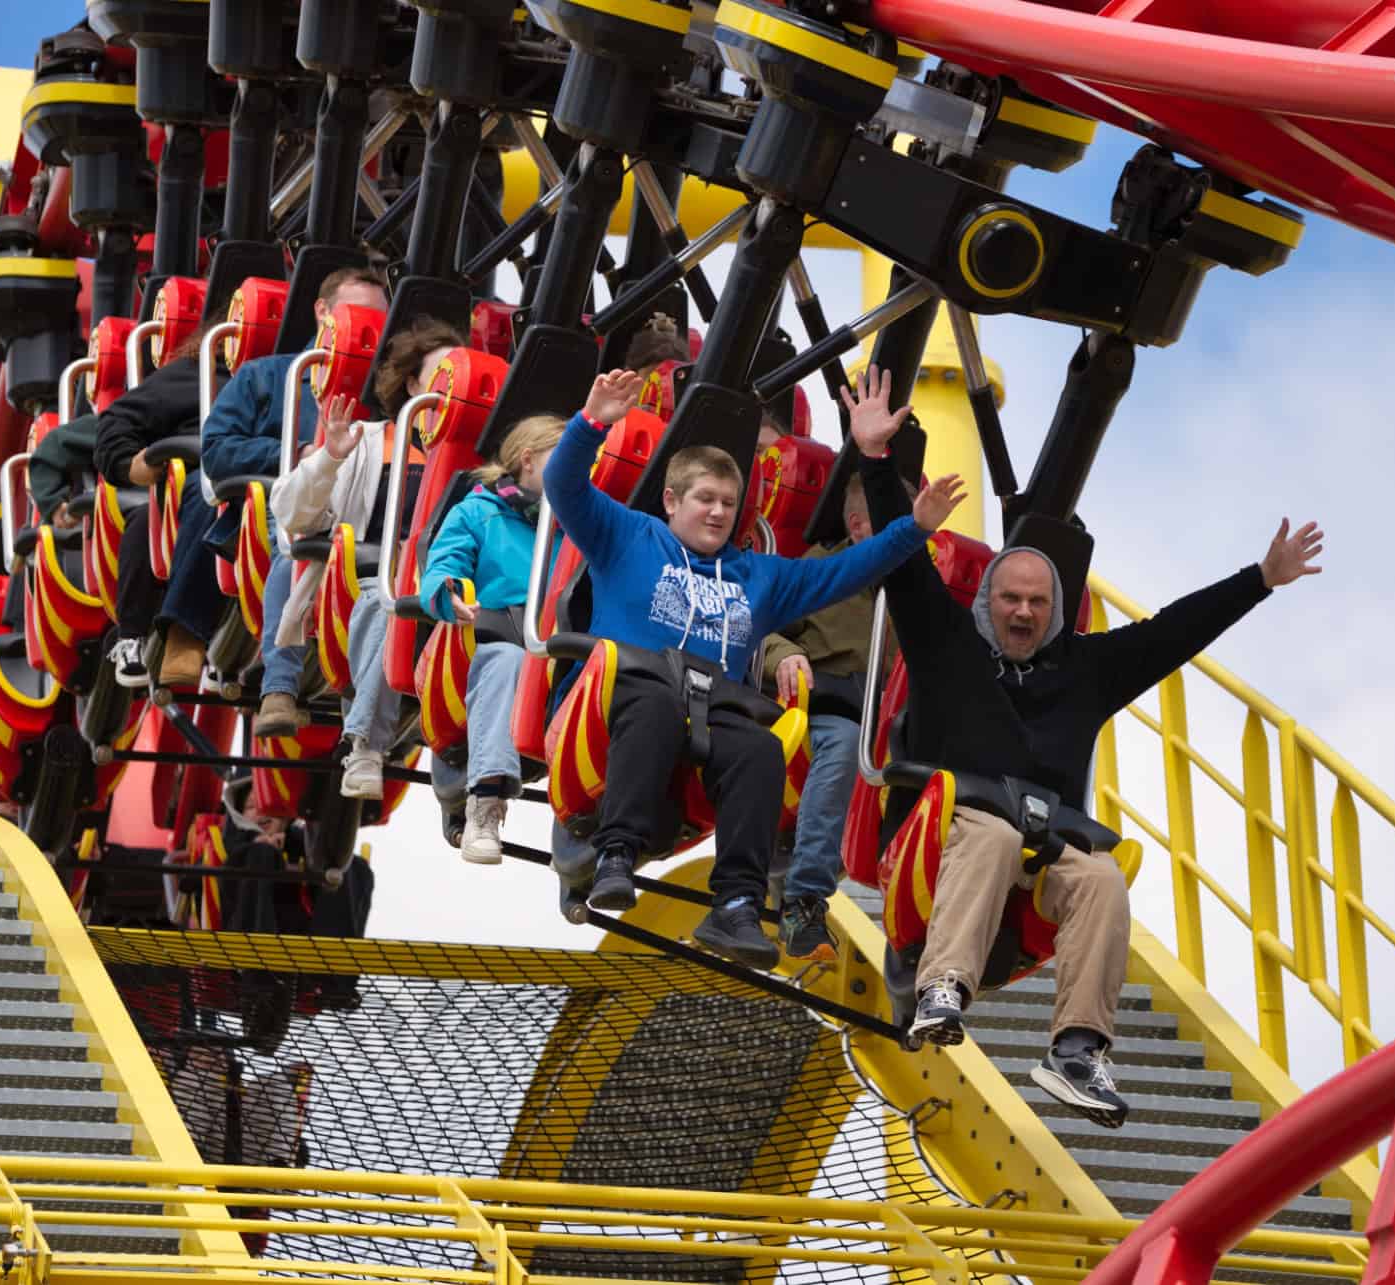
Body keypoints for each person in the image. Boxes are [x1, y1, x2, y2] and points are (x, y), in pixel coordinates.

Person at [845, 364, 1324, 1128]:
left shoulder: (1086, 668)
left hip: (1044, 851)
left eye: (1038, 602)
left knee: (1101, 875)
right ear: (987, 602)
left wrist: (1259, 579)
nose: (1025, 611)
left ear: (1058, 610)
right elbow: (903, 575)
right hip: (941, 841)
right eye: (1010, 598)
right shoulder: (947, 648)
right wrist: (873, 461)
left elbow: (1172, 631)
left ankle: (1077, 1049)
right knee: (993, 832)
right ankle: (942, 984)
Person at [541, 368, 965, 969]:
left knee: (763, 751)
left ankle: (737, 903)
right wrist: (590, 423)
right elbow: (565, 487)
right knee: (657, 703)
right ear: (671, 501)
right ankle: (615, 851)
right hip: (626, 691)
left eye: (727, 503)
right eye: (704, 500)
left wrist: (914, 528)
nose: (717, 513)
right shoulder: (629, 537)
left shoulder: (760, 576)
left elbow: (847, 570)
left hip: (713, 708)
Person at [155, 267, 390, 689]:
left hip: (366, 510)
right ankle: (274, 684)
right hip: (284, 505)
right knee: (296, 540)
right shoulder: (266, 376)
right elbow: (218, 451)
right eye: (355, 313)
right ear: (323, 312)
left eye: (377, 319)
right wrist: (295, 454)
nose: (365, 328)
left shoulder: (391, 392)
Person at [291, 318, 468, 797]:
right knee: (388, 599)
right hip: (368, 581)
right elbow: (290, 513)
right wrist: (328, 458)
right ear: (412, 383)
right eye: (438, 375)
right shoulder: (370, 441)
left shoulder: (474, 457)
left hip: (448, 584)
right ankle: (365, 745)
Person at [757, 470, 905, 960]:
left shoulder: (914, 590)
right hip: (821, 712)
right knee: (845, 745)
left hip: (889, 727)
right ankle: (804, 900)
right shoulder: (820, 570)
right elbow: (759, 629)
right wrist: (784, 658)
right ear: (860, 526)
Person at [415, 414, 566, 862]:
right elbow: (443, 565)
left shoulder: (575, 524)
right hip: (486, 641)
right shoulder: (479, 511)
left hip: (556, 646)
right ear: (527, 460)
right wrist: (446, 595)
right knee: (507, 660)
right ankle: (486, 800)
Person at [91, 314, 218, 685]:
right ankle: (136, 634)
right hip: (199, 479)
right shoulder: (198, 372)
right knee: (157, 513)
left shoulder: (286, 372)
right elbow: (116, 423)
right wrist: (132, 463)